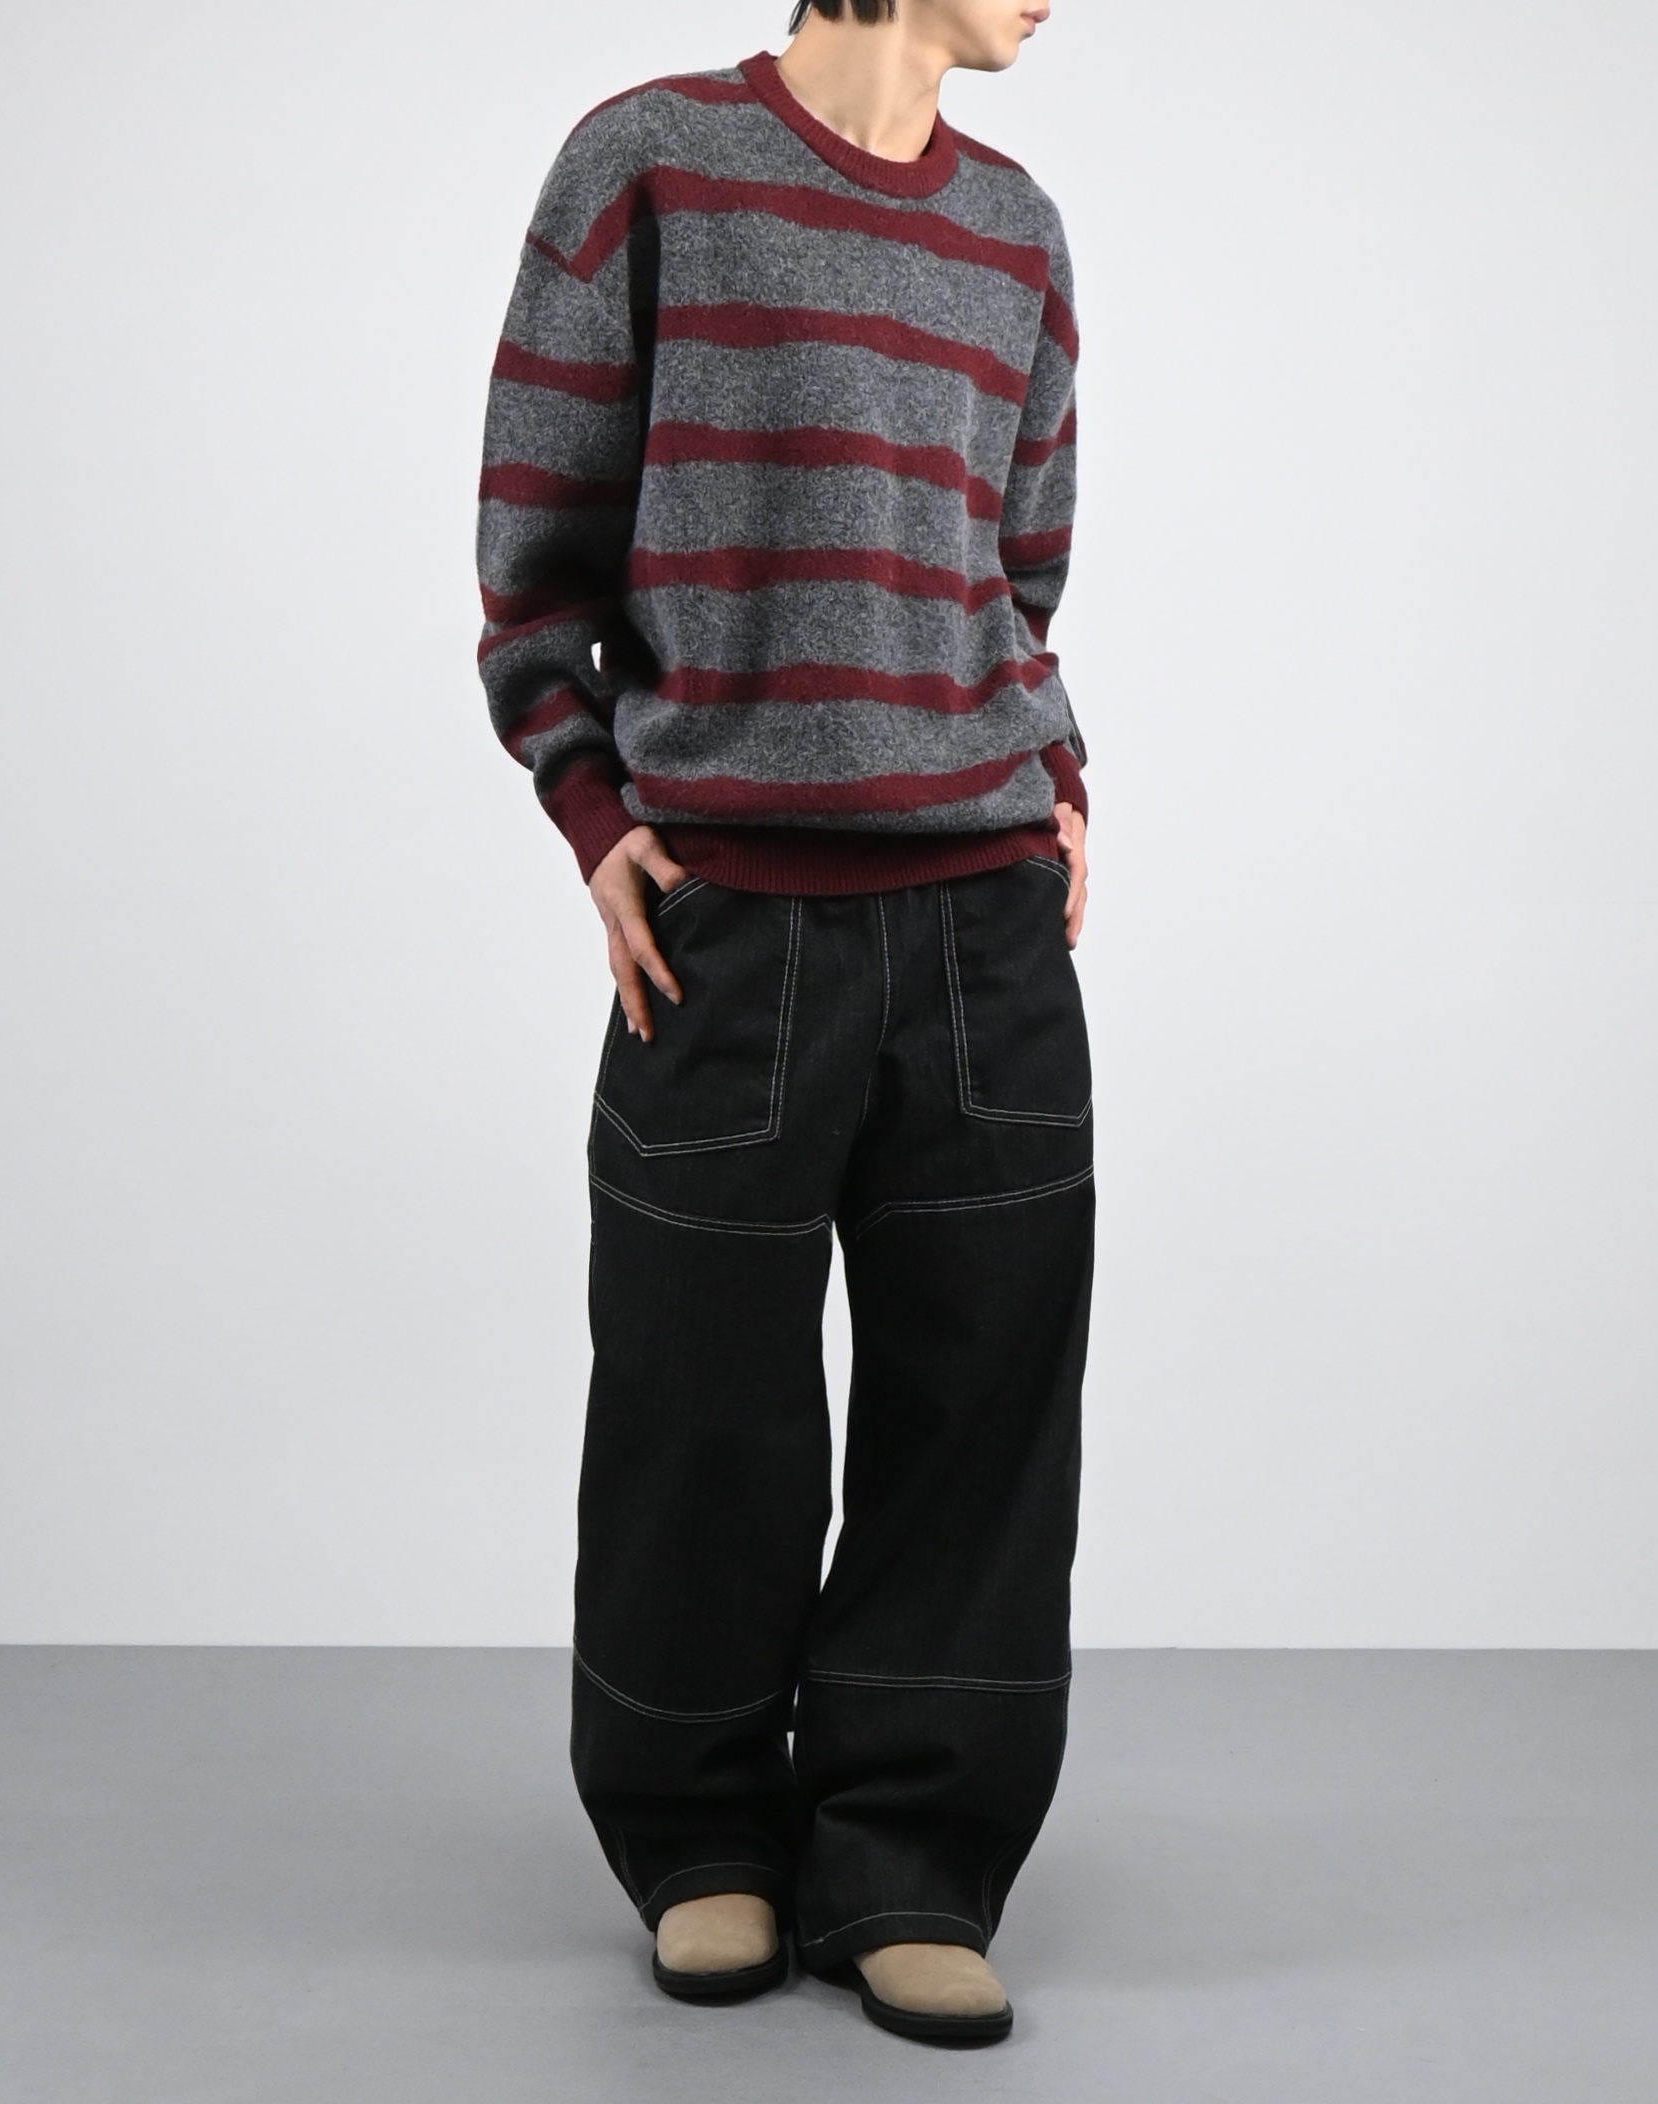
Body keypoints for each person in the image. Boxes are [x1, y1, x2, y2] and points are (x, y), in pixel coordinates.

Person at [476, 0, 1090, 2047]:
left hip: (987, 930)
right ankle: (699, 1833)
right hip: (731, 928)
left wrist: (1059, 779)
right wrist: (592, 811)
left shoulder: (1016, 227)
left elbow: (1016, 574)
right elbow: (534, 555)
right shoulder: (648, 165)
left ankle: (910, 1853)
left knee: (976, 1410)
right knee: (699, 1405)